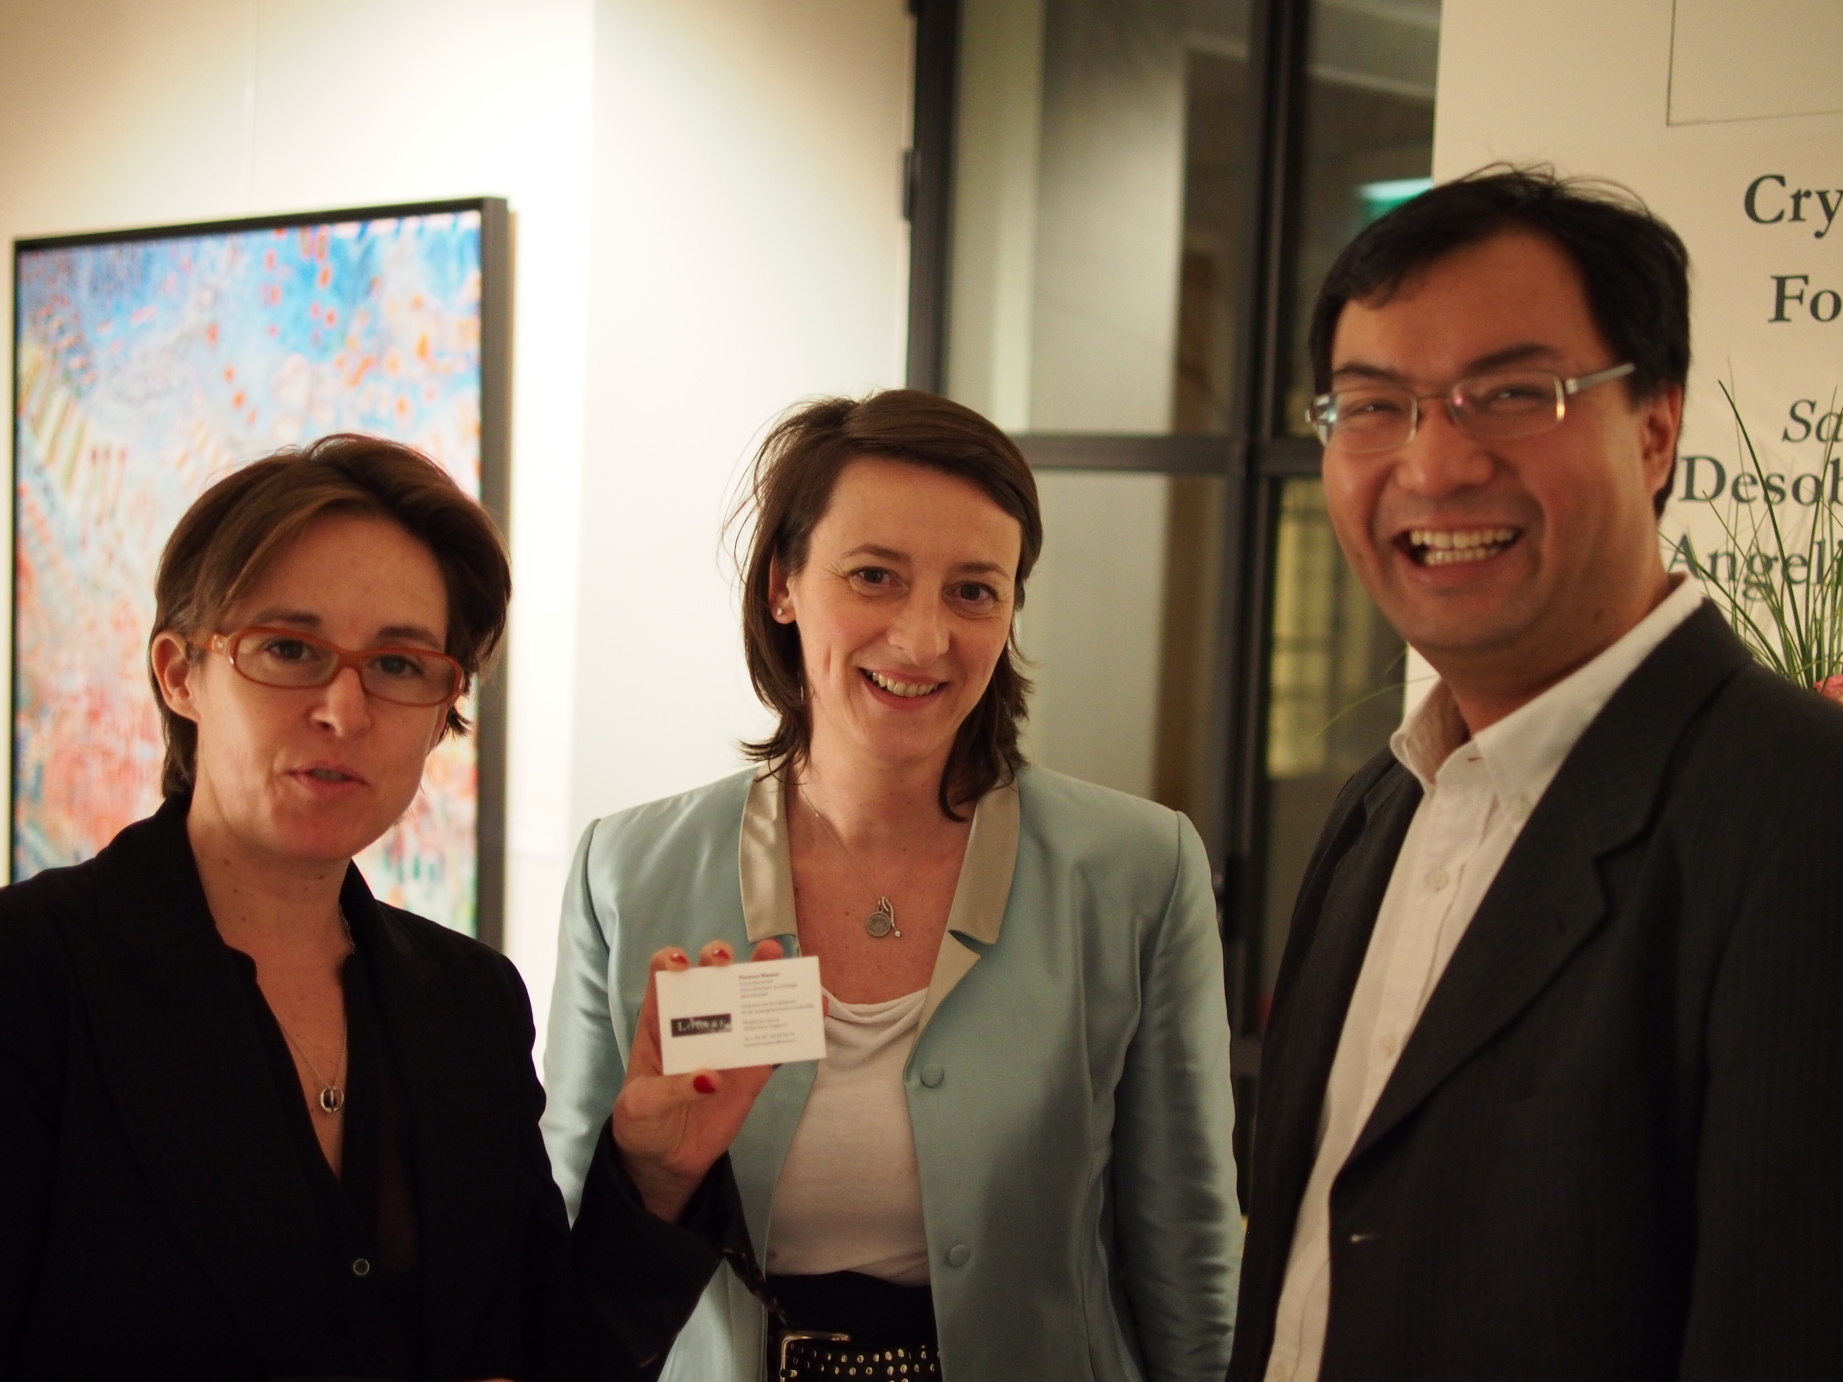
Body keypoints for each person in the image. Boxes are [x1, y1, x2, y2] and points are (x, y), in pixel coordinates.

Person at [1228, 168, 1843, 1382]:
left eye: (1511, 394)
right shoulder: (1380, 806)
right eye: (1373, 405)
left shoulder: (1799, 814)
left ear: (1654, 426)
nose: (1434, 463)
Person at [541, 390, 1243, 1382]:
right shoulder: (630, 871)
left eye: (973, 591)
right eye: (874, 576)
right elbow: (564, 1259)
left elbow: (1188, 1256)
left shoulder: (1133, 870)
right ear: (783, 583)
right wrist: (651, 1173)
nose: (921, 639)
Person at [0, 435, 708, 1380]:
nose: (344, 710)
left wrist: (654, 1176)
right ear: (179, 674)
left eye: (400, 665)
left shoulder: (471, 1001)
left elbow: (540, 1349)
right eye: (289, 650)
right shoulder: (30, 974)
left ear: (444, 708)